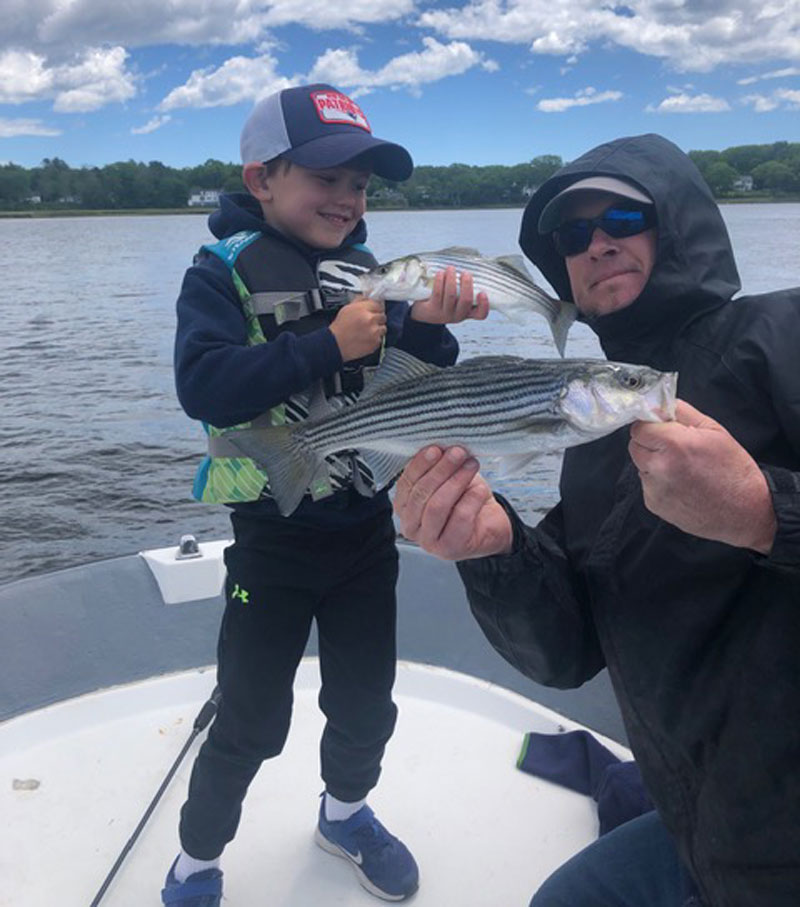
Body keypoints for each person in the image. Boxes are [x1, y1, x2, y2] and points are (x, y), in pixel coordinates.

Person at [393, 133, 800, 907]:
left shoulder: (782, 336)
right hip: (697, 828)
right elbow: (569, 652)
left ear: (678, 222)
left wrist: (762, 513)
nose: (598, 243)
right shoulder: (593, 426)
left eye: (623, 217)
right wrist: (495, 550)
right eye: (574, 233)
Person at [165, 83, 489, 906]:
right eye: (325, 177)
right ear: (262, 179)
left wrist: (432, 324)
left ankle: (344, 815)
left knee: (366, 703)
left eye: (361, 184)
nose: (347, 198)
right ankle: (196, 859)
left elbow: (416, 379)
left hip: (365, 531)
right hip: (271, 540)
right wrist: (325, 344)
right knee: (249, 719)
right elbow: (203, 384)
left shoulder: (374, 276)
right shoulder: (218, 273)